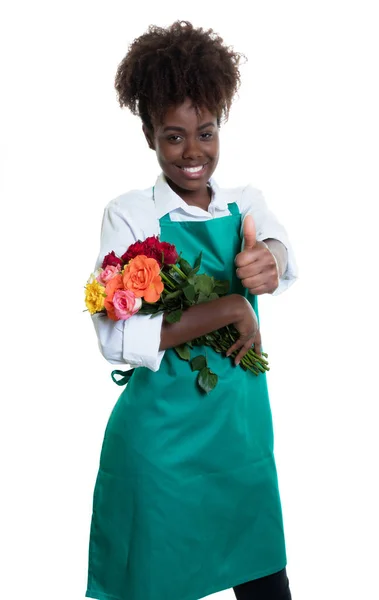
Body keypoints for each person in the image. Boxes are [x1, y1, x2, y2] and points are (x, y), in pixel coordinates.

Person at [85, 21, 297, 600]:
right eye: (173, 136)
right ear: (150, 134)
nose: (193, 152)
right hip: (163, 452)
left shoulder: (245, 204)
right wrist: (231, 304)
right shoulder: (129, 216)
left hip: (241, 441)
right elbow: (118, 337)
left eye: (205, 132)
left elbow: (281, 255)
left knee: (265, 583)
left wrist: (268, 262)